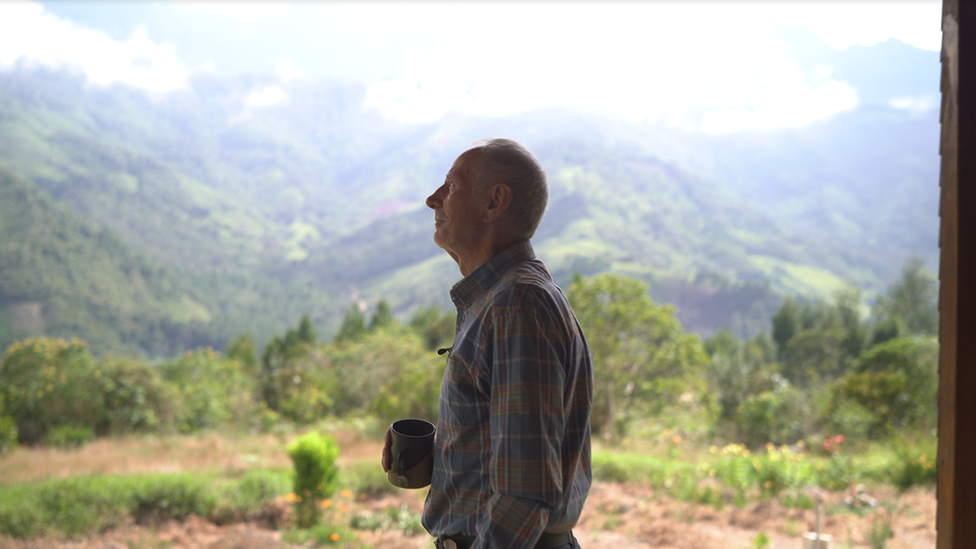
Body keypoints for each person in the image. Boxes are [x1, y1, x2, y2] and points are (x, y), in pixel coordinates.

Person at [382, 138, 593, 549]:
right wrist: (442, 455)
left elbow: (524, 494)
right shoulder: (500, 300)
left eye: (451, 186)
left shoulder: (517, 305)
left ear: (494, 202)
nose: (432, 200)